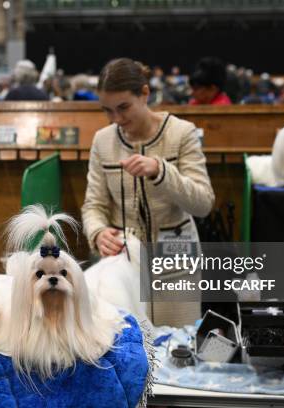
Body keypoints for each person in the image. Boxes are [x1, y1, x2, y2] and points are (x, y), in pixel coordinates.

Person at [81, 58, 215, 326]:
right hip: (121, 266)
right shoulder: (102, 140)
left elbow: (203, 203)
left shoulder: (182, 133)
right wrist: (97, 232)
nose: (116, 119)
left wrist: (161, 171)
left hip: (177, 264)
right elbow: (93, 205)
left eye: (123, 107)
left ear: (145, 93)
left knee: (178, 348)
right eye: (107, 110)